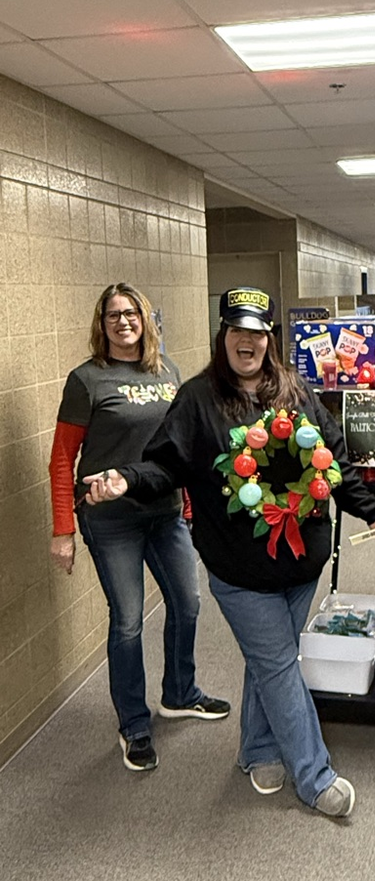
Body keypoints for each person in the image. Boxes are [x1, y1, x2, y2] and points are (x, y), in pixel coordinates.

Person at [83, 286, 375, 818]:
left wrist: (372, 510)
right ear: (223, 337)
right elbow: (165, 466)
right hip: (239, 568)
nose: (246, 341)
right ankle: (315, 776)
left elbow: (332, 460)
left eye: (256, 332)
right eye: (237, 332)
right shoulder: (197, 398)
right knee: (278, 663)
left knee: (265, 658)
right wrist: (126, 480)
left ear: (268, 339)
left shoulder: (295, 392)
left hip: (302, 564)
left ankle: (256, 748)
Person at [49, 283, 230, 774]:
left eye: (131, 313)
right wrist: (63, 529)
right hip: (110, 520)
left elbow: (180, 448)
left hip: (164, 510)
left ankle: (179, 692)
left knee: (187, 603)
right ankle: (133, 723)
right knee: (128, 619)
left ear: (145, 319)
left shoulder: (165, 370)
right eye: (113, 315)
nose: (123, 322)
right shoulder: (86, 380)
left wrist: (188, 503)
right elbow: (62, 458)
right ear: (101, 324)